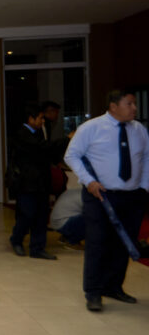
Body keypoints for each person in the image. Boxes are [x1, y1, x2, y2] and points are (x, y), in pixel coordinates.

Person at [64, 89, 149, 312]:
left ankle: (113, 287)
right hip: (100, 195)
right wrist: (88, 181)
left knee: (124, 242)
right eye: (129, 103)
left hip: (132, 196)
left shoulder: (139, 130)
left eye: (134, 104)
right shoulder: (91, 128)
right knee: (97, 242)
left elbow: (147, 157)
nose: (134, 108)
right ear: (113, 106)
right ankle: (93, 292)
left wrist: (144, 187)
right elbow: (71, 155)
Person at [7, 104, 58, 260]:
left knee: (41, 215)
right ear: (31, 119)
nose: (43, 121)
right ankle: (16, 240)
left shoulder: (37, 133)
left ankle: (37, 248)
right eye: (40, 118)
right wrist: (66, 140)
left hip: (41, 182)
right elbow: (41, 149)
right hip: (26, 183)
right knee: (27, 214)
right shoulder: (21, 135)